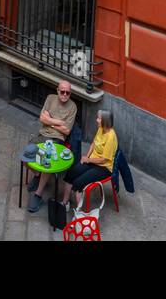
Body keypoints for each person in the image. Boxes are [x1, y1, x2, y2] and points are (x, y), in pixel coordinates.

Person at [24, 80, 78, 213]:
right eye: (62, 91)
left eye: (68, 93)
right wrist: (58, 122)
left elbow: (66, 131)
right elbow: (42, 119)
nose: (65, 94)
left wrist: (50, 121)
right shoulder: (50, 98)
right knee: (26, 156)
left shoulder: (73, 107)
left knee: (46, 163)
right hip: (42, 134)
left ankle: (38, 194)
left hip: (57, 139)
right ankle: (37, 175)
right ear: (57, 90)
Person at [59, 110, 118, 209]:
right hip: (92, 161)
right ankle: (65, 203)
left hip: (104, 168)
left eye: (99, 118)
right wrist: (87, 156)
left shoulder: (111, 137)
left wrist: (88, 160)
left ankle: (80, 215)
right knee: (71, 173)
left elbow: (103, 160)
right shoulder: (101, 128)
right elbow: (93, 143)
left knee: (78, 183)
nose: (96, 120)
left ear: (105, 121)